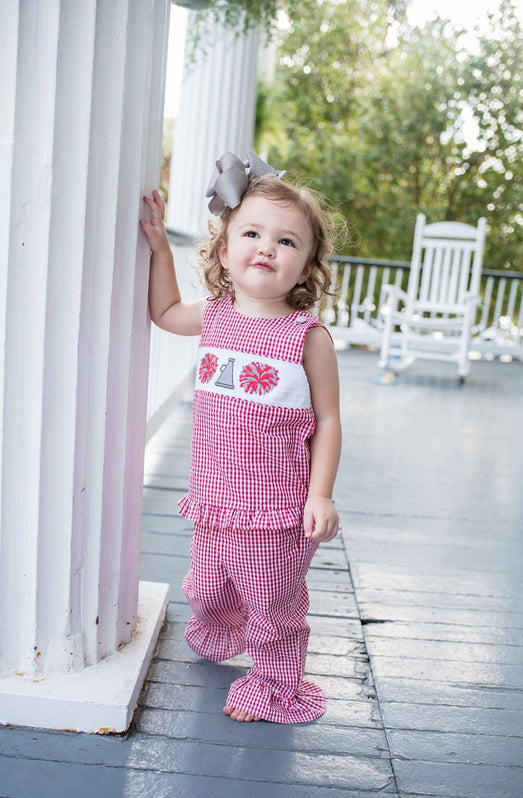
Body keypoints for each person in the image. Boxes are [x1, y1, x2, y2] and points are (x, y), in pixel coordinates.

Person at [140, 152, 341, 724]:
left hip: (276, 510)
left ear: (305, 268)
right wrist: (159, 251)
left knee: (272, 604)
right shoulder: (216, 315)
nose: (267, 248)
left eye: (287, 242)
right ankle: (225, 627)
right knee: (206, 588)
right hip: (214, 499)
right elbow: (164, 312)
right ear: (225, 249)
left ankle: (274, 685)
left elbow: (327, 421)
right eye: (252, 232)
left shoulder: (307, 338)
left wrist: (320, 495)